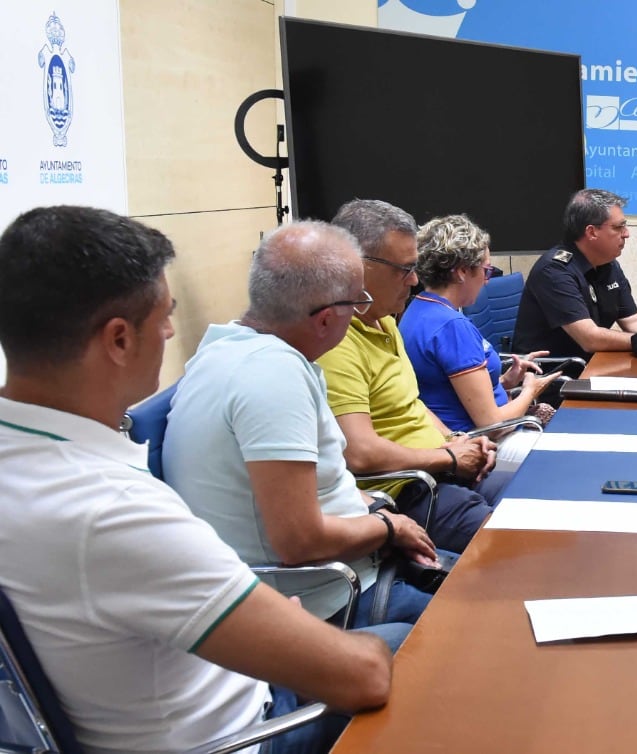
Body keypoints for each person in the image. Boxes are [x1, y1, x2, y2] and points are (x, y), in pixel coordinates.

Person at [0, 206, 395, 753]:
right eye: (165, 316)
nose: (169, 333)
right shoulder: (112, 509)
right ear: (118, 340)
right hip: (247, 731)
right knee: (425, 647)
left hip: (160, 687)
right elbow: (362, 676)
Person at [165, 221, 443, 629]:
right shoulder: (272, 377)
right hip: (329, 601)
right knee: (481, 631)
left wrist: (375, 512)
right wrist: (387, 526)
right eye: (357, 303)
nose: (359, 315)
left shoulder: (226, 350)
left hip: (352, 571)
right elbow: (300, 542)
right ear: (327, 319)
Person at [318, 198, 503, 548]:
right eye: (403, 269)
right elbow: (358, 453)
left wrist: (456, 442)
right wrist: (447, 458)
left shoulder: (387, 320)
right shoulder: (336, 342)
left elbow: (414, 405)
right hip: (406, 491)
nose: (415, 280)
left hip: (440, 471)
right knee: (517, 541)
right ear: (355, 266)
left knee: (539, 494)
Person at [401, 214, 560, 433]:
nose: (487, 280)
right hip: (482, 445)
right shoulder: (451, 326)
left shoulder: (417, 308)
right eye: (486, 271)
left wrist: (504, 381)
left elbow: (452, 392)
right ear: (462, 272)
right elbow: (493, 426)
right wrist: (530, 391)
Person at [511, 188, 637, 359]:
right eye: (618, 227)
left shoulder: (608, 265)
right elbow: (590, 339)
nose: (626, 234)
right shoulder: (554, 270)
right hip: (553, 377)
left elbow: (633, 319)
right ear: (592, 232)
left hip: (592, 367)